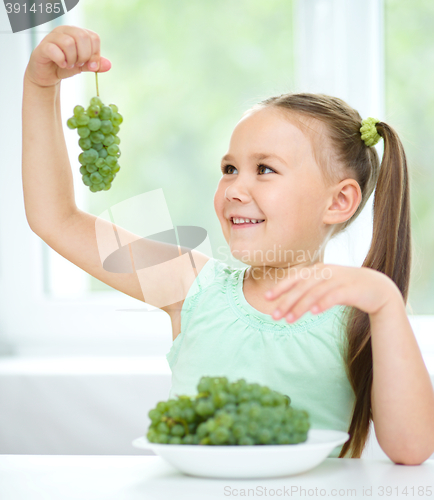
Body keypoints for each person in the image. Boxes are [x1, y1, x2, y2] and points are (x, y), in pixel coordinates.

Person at [22, 25, 434, 464]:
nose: (235, 188)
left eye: (265, 170)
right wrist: (39, 86)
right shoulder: (190, 285)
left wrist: (387, 302)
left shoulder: (364, 314)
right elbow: (57, 220)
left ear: (339, 201)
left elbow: (411, 450)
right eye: (230, 168)